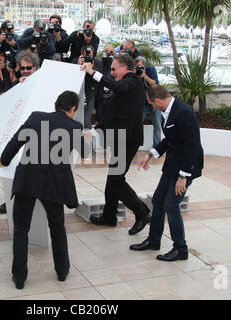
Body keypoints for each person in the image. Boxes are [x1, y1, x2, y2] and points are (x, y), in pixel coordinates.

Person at [0, 91, 89, 289]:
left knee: (21, 229)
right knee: (57, 227)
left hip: (27, 180)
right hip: (54, 184)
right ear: (73, 108)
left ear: (57, 105)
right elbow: (85, 152)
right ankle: (62, 271)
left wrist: (4, 160)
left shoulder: (36, 117)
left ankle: (19, 278)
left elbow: (16, 141)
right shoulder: (74, 126)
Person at [130, 85, 204, 262]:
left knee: (171, 205)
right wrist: (152, 153)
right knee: (158, 200)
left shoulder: (183, 113)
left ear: (157, 100)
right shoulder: (168, 112)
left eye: (152, 104)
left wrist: (184, 176)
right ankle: (154, 240)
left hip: (186, 167)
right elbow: (170, 139)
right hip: (172, 165)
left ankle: (181, 249)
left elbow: (191, 146)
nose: (152, 108)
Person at [81, 53, 151, 234]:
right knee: (113, 179)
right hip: (121, 138)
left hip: (128, 139)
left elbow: (115, 85)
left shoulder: (133, 81)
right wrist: (94, 131)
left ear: (124, 68)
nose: (111, 73)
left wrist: (93, 73)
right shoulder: (123, 88)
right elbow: (112, 115)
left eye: (113, 69)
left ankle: (141, 212)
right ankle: (109, 216)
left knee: (116, 180)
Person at [0, 50, 40, 214]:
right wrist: (0, 99)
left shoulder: (44, 82)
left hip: (40, 134)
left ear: (36, 67)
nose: (26, 71)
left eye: (29, 68)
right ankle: (11, 200)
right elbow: (8, 100)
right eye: (23, 68)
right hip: (20, 133)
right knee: (15, 168)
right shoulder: (17, 84)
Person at [135, 56, 162, 148]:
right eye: (137, 66)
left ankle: (157, 147)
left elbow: (155, 83)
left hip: (155, 100)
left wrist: (145, 76)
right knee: (138, 124)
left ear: (144, 65)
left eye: (141, 66)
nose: (139, 69)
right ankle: (135, 145)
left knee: (157, 125)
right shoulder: (135, 73)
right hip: (143, 102)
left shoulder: (151, 70)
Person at [95, 45, 115, 123]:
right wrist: (104, 62)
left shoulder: (117, 65)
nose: (109, 55)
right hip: (101, 96)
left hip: (112, 97)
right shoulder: (101, 63)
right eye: (107, 53)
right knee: (100, 119)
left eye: (111, 53)